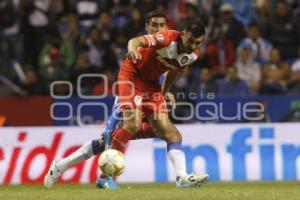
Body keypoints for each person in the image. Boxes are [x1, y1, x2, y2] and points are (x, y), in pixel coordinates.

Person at [44, 15, 208, 189]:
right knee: (132, 125)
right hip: (132, 78)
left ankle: (182, 177)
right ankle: (104, 178)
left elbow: (174, 71)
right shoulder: (166, 38)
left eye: (198, 43)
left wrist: (163, 93)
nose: (193, 47)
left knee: (172, 134)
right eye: (191, 41)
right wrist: (132, 50)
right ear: (183, 34)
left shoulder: (193, 54)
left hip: (152, 86)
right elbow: (135, 41)